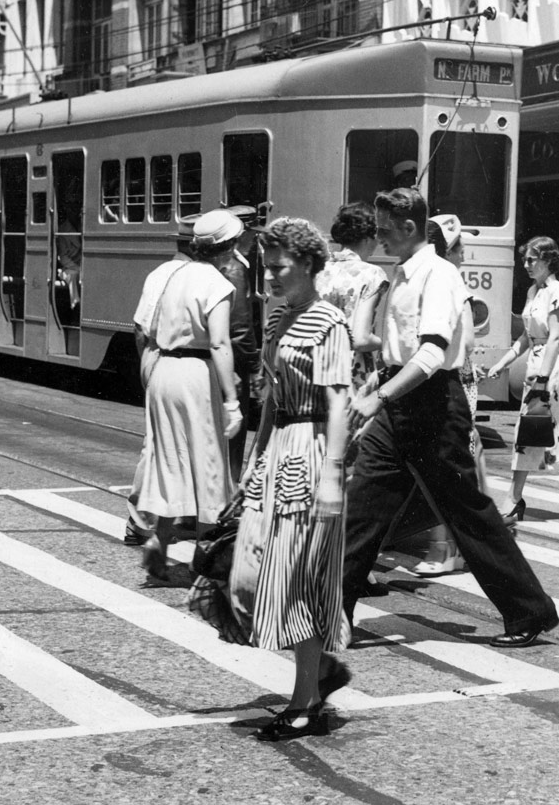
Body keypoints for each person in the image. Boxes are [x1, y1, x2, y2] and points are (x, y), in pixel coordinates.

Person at [344, 187, 558, 648]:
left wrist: (379, 397)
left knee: (467, 513)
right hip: (400, 399)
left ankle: (529, 610)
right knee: (363, 506)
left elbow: (431, 353)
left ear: (409, 227)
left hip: (433, 406)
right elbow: (400, 349)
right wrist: (378, 379)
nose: (378, 238)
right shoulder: (402, 273)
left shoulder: (438, 275)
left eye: (384, 230)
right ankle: (330, 612)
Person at [226, 217, 352, 742]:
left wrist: (332, 476)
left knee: (297, 578)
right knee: (249, 576)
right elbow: (272, 399)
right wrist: (253, 463)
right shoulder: (278, 319)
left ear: (307, 264)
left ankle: (306, 702)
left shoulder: (329, 324)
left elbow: (340, 402)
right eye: (267, 267)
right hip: (278, 450)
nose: (270, 277)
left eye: (278, 267)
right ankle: (320, 669)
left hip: (313, 451)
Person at [131, 209, 244, 581]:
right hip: (196, 373)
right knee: (208, 462)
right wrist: (232, 401)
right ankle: (206, 559)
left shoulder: (173, 274)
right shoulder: (217, 284)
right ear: (228, 248)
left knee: (169, 461)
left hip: (163, 370)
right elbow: (220, 342)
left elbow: (147, 326)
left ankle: (160, 540)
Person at [484, 236, 559, 523]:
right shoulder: (533, 291)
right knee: (555, 433)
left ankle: (513, 498)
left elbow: (555, 338)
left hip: (551, 369)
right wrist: (502, 363)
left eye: (531, 259)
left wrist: (542, 379)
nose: (526, 264)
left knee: (529, 432)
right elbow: (526, 337)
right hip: (536, 365)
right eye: (524, 259)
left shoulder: (558, 292)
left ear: (548, 260)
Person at [123, 212, 202, 547]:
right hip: (181, 362)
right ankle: (144, 520)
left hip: (155, 355)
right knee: (170, 442)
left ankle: (148, 521)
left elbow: (140, 328)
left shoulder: (158, 273)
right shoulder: (197, 275)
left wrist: (147, 364)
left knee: (158, 440)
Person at [411, 214, 481, 576]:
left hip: (448, 382)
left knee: (446, 468)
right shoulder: (447, 281)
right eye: (459, 247)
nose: (464, 253)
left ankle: (446, 548)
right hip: (449, 381)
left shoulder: (441, 283)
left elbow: (466, 342)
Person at [316, 203, 389, 391]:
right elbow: (360, 339)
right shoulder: (372, 274)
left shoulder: (318, 269)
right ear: (368, 237)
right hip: (349, 376)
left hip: (314, 370)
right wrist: (386, 344)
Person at [215, 208, 261, 483]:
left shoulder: (216, 263)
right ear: (243, 234)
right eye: (253, 234)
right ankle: (230, 489)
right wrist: (254, 366)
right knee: (234, 434)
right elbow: (241, 327)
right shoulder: (235, 267)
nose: (255, 240)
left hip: (215, 359)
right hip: (233, 362)